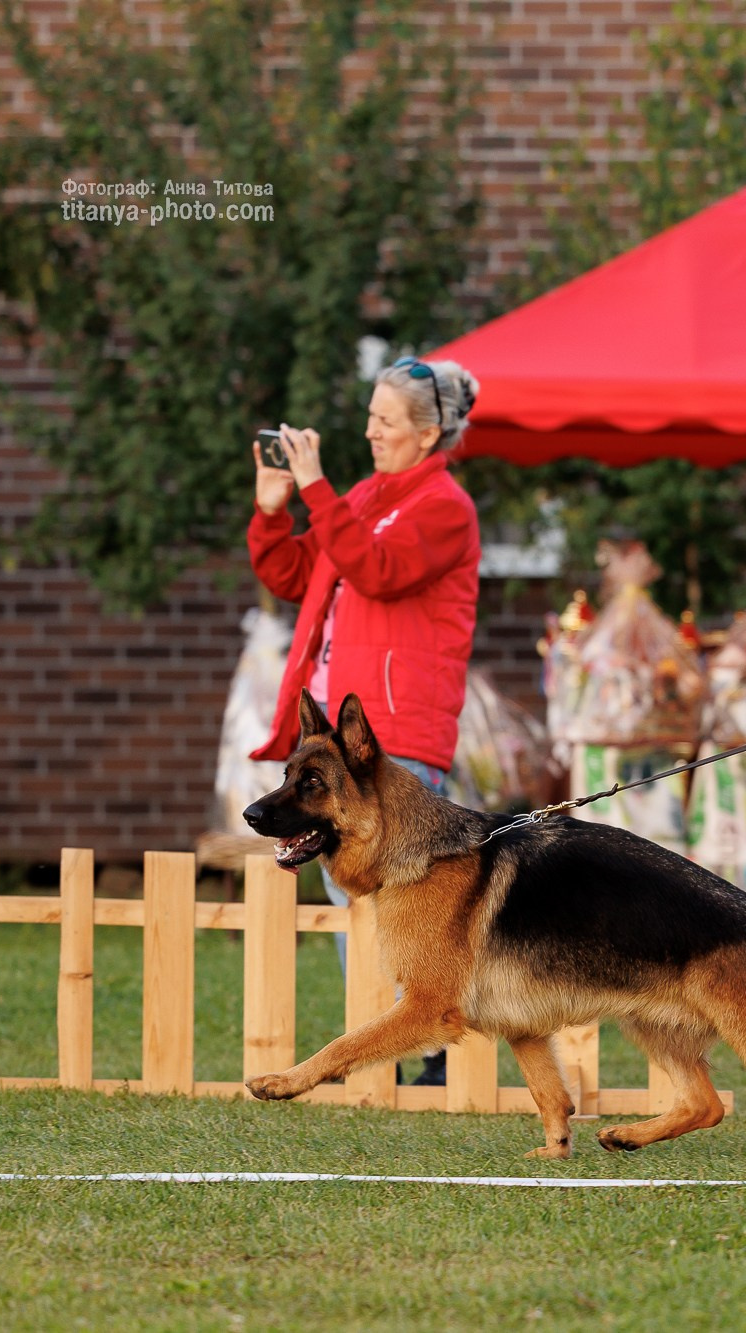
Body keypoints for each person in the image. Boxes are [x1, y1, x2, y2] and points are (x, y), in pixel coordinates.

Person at [248, 355, 483, 1086]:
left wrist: (320, 491)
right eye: (372, 416)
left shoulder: (444, 507)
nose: (369, 430)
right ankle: (399, 1050)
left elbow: (378, 568)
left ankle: (435, 1054)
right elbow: (296, 574)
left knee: (413, 908)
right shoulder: (366, 498)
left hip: (397, 738)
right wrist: (272, 507)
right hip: (346, 740)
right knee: (356, 895)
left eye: (384, 420)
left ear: (428, 432)